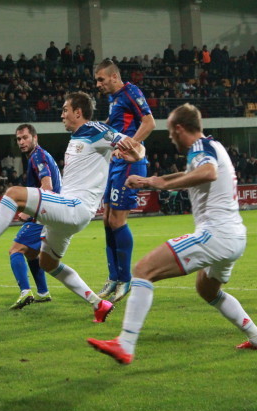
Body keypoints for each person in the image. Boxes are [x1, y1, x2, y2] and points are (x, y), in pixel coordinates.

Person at [87, 103, 257, 365]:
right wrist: (147, 181)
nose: (169, 137)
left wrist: (156, 182)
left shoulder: (200, 148)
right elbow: (192, 174)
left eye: (170, 132)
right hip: (234, 236)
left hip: (216, 235)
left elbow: (208, 173)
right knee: (207, 290)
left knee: (143, 270)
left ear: (179, 128)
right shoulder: (213, 146)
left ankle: (125, 344)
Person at [0, 91, 145, 323]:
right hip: (69, 212)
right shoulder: (79, 137)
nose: (61, 115)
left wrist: (136, 155)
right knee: (47, 262)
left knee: (13, 194)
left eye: (65, 110)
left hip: (75, 207)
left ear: (78, 112)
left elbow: (137, 147)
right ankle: (98, 304)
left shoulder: (96, 130)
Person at [94, 59, 155, 303]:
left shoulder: (131, 92)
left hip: (129, 161)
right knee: (107, 219)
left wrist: (131, 144)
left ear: (114, 76)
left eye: (101, 79)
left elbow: (149, 122)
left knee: (118, 220)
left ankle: (125, 279)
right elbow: (116, 126)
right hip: (115, 162)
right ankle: (113, 277)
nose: (98, 84)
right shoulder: (113, 99)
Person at [7, 124, 61, 309]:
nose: (21, 142)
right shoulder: (40, 155)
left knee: (15, 251)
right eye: (18, 139)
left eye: (25, 138)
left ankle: (25, 292)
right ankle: (43, 293)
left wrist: (27, 210)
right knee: (31, 254)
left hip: (44, 214)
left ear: (35, 138)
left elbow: (47, 187)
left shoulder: (37, 156)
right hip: (52, 214)